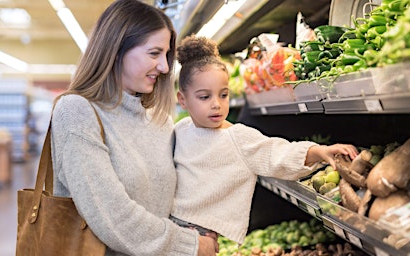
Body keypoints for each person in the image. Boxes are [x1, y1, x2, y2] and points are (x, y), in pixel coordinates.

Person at [50, 1, 218, 255]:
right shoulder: (76, 112)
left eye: (166, 56)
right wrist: (189, 245)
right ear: (116, 50)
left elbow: (165, 206)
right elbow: (113, 215)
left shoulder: (160, 121)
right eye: (154, 53)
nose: (163, 67)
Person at [171, 35, 359, 244]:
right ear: (183, 100)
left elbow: (275, 153)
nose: (216, 104)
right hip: (172, 228)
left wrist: (318, 152)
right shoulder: (179, 130)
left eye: (223, 95)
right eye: (204, 97)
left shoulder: (237, 137)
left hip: (203, 236)